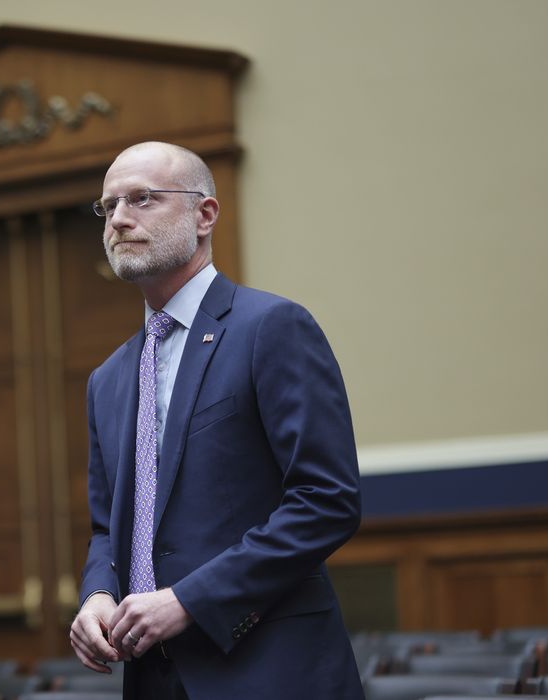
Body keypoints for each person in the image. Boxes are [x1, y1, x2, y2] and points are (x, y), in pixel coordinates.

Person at [68, 142, 364, 699]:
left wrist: (190, 600)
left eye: (142, 199)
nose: (120, 220)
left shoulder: (271, 327)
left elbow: (327, 500)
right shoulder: (107, 379)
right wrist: (96, 594)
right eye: (108, 208)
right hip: (152, 678)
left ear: (204, 215)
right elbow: (110, 527)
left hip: (268, 670)